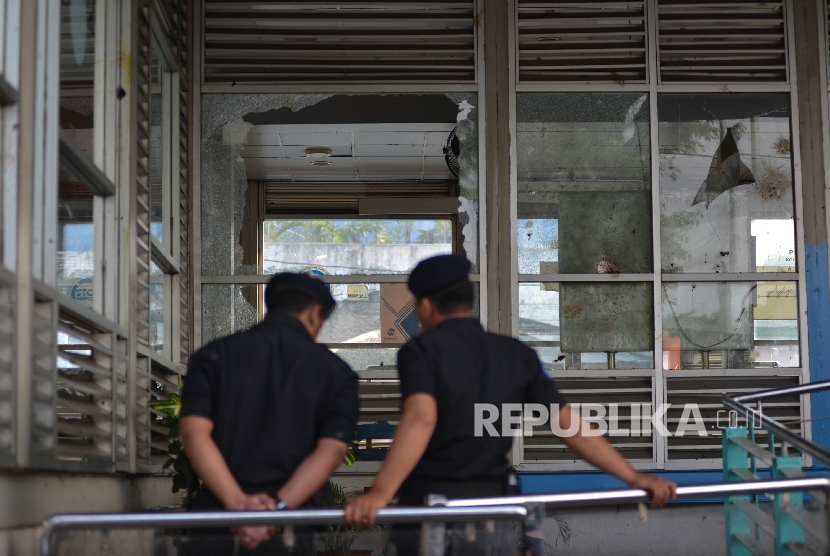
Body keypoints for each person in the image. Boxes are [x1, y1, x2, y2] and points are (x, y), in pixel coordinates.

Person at [345, 254, 677, 553]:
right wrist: (633, 477)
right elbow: (569, 425)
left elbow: (421, 419)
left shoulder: (421, 352)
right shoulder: (518, 355)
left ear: (426, 306)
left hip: (430, 508)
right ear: (468, 301)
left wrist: (381, 493)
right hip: (493, 509)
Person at [180, 273, 359, 554]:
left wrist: (238, 504)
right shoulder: (337, 373)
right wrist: (277, 509)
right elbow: (332, 449)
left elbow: (193, 434)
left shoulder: (212, 356)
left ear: (269, 307)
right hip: (293, 522)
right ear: (315, 314)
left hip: (218, 518)